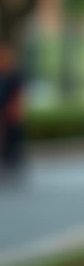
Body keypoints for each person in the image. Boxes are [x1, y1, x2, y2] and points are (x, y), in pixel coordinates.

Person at [0, 41, 26, 182]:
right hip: (5, 112)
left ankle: (14, 162)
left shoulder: (14, 76)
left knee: (13, 140)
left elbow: (17, 96)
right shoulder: (4, 76)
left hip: (12, 114)